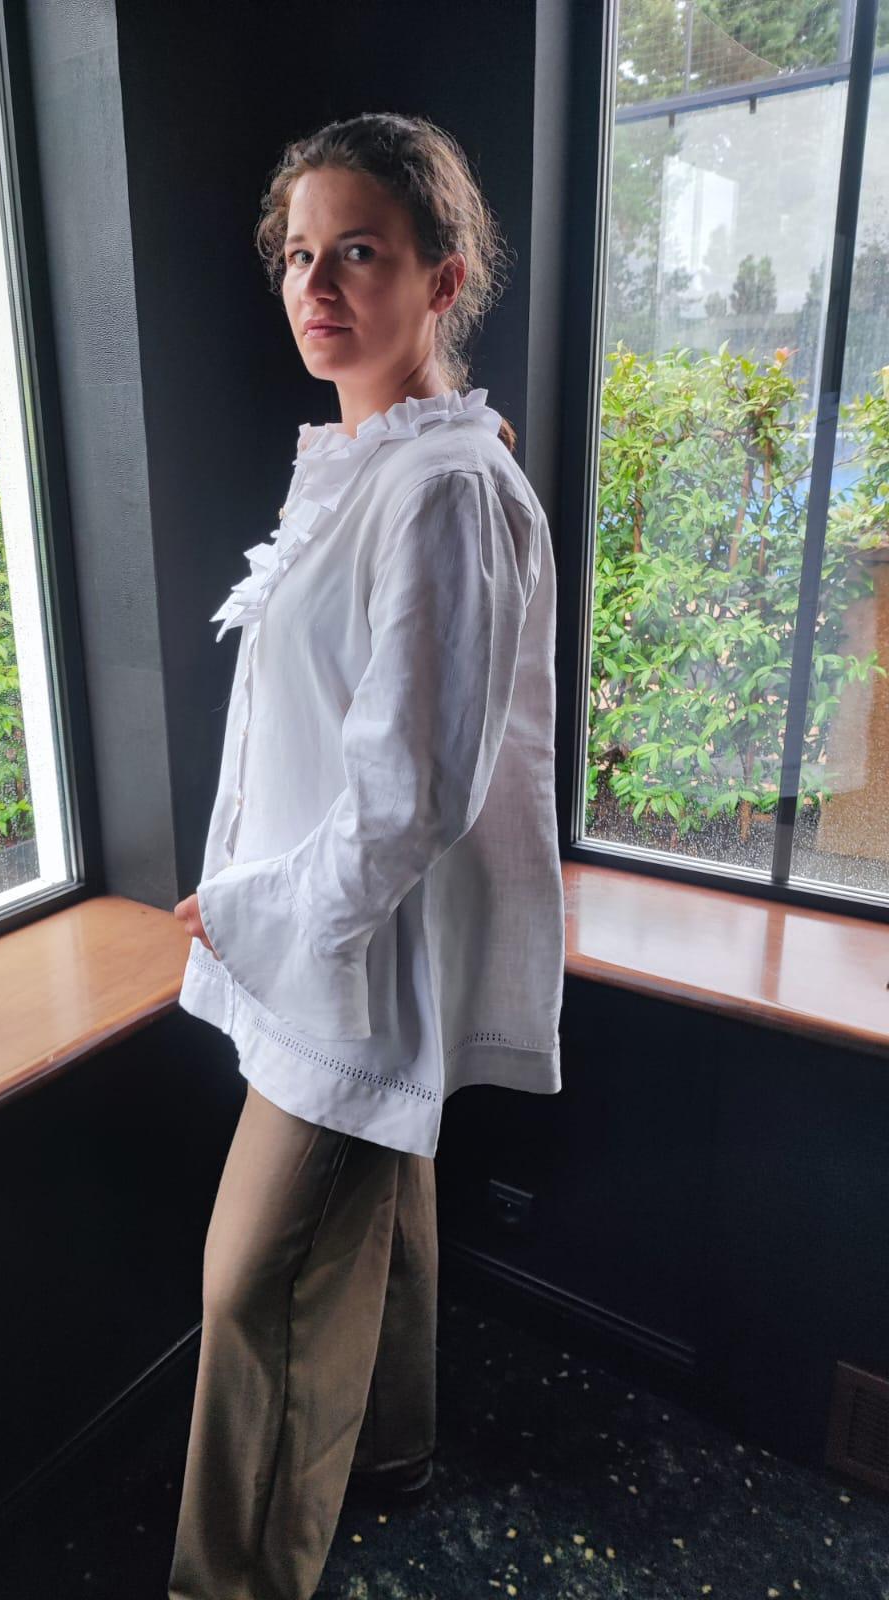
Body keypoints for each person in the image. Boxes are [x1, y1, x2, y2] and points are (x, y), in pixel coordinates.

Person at [168, 110, 565, 1600]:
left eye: (358, 253)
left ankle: (231, 1582)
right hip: (335, 930)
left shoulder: (443, 488)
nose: (315, 284)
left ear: (441, 279)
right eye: (296, 255)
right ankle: (393, 1451)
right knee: (389, 1187)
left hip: (347, 945)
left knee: (252, 1289)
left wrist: (259, 911)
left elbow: (409, 795)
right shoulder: (365, 460)